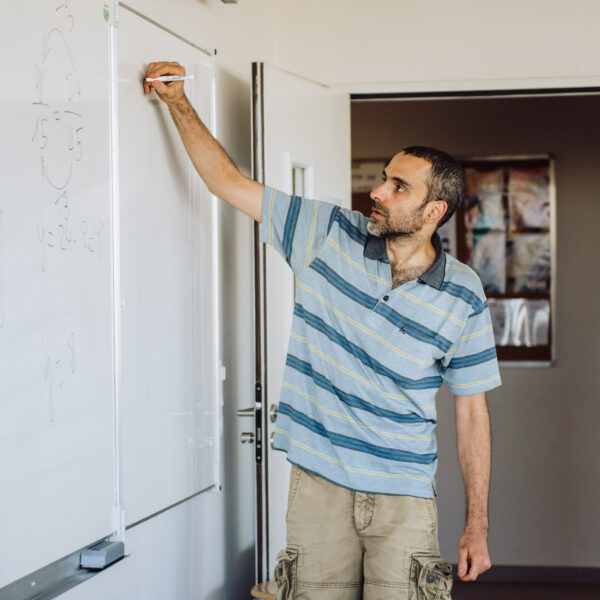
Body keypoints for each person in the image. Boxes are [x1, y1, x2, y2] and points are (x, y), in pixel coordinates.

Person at [144, 61, 501, 600]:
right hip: (318, 482)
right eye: (384, 177)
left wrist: (477, 524)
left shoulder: (464, 294)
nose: (378, 191)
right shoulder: (326, 233)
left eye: (397, 185)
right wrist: (177, 104)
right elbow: (227, 183)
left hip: (404, 494)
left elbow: (472, 411)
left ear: (434, 210)